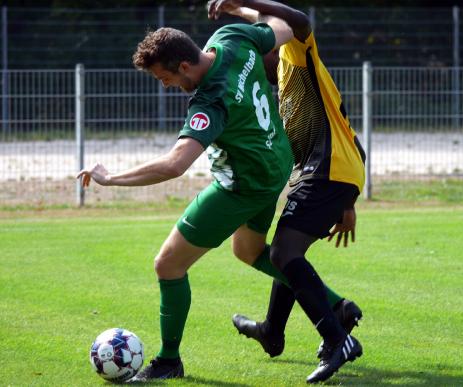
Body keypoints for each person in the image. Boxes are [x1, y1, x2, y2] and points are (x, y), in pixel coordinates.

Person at [77, 18, 298, 381]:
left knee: (168, 265)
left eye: (165, 79)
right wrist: (240, 7)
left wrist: (110, 178)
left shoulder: (210, 100)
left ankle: (168, 360)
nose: (166, 87)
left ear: (183, 66)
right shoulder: (231, 38)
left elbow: (175, 164)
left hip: (241, 184)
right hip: (274, 165)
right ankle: (334, 306)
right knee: (249, 251)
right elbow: (285, 26)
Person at [208, 0, 366, 383]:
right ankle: (272, 332)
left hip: (328, 170)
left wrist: (244, 3)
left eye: (258, 47)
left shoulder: (296, 52)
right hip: (330, 173)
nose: (252, 57)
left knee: (283, 252)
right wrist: (349, 201)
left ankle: (337, 338)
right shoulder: (276, 81)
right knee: (286, 253)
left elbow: (294, 19)